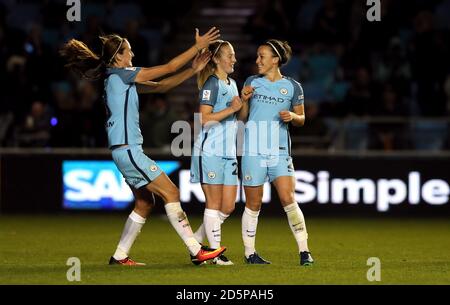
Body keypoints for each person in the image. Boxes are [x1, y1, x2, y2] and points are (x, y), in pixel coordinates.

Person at [59, 28, 227, 266]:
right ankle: (195, 251)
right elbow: (168, 67)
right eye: (128, 50)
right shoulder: (123, 74)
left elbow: (161, 86)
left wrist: (192, 70)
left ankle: (119, 256)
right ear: (118, 57)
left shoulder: (118, 79)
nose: (133, 53)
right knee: (172, 193)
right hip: (129, 149)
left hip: (124, 150)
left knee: (145, 203)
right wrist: (197, 47)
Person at [238, 39, 314, 266]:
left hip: (279, 151)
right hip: (252, 150)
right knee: (253, 203)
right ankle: (250, 253)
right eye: (258, 56)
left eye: (262, 56)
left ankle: (304, 252)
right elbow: (242, 117)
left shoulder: (293, 87)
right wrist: (243, 100)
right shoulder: (252, 82)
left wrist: (293, 117)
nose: (257, 60)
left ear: (275, 60)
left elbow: (302, 119)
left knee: (288, 198)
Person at [190, 40, 242, 265]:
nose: (234, 59)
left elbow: (236, 115)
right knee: (212, 204)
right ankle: (215, 254)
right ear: (218, 59)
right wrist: (231, 108)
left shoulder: (232, 83)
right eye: (230, 55)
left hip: (228, 152)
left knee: (228, 206)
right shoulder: (211, 84)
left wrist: (243, 101)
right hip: (209, 151)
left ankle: (194, 244)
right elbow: (203, 119)